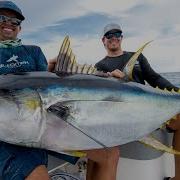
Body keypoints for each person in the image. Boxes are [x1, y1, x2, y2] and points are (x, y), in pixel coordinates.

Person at [95, 23, 180, 180]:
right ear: (103, 40)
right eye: (109, 35)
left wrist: (176, 92)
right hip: (122, 117)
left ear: (122, 37)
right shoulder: (100, 66)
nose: (113, 38)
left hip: (149, 110)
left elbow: (155, 79)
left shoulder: (137, 57)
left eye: (117, 34)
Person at [0, 1, 51, 179]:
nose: (9, 23)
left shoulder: (34, 52)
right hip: (6, 136)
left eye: (15, 21)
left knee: (108, 153)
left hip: (41, 126)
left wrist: (53, 73)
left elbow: (47, 88)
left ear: (19, 28)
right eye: (2, 18)